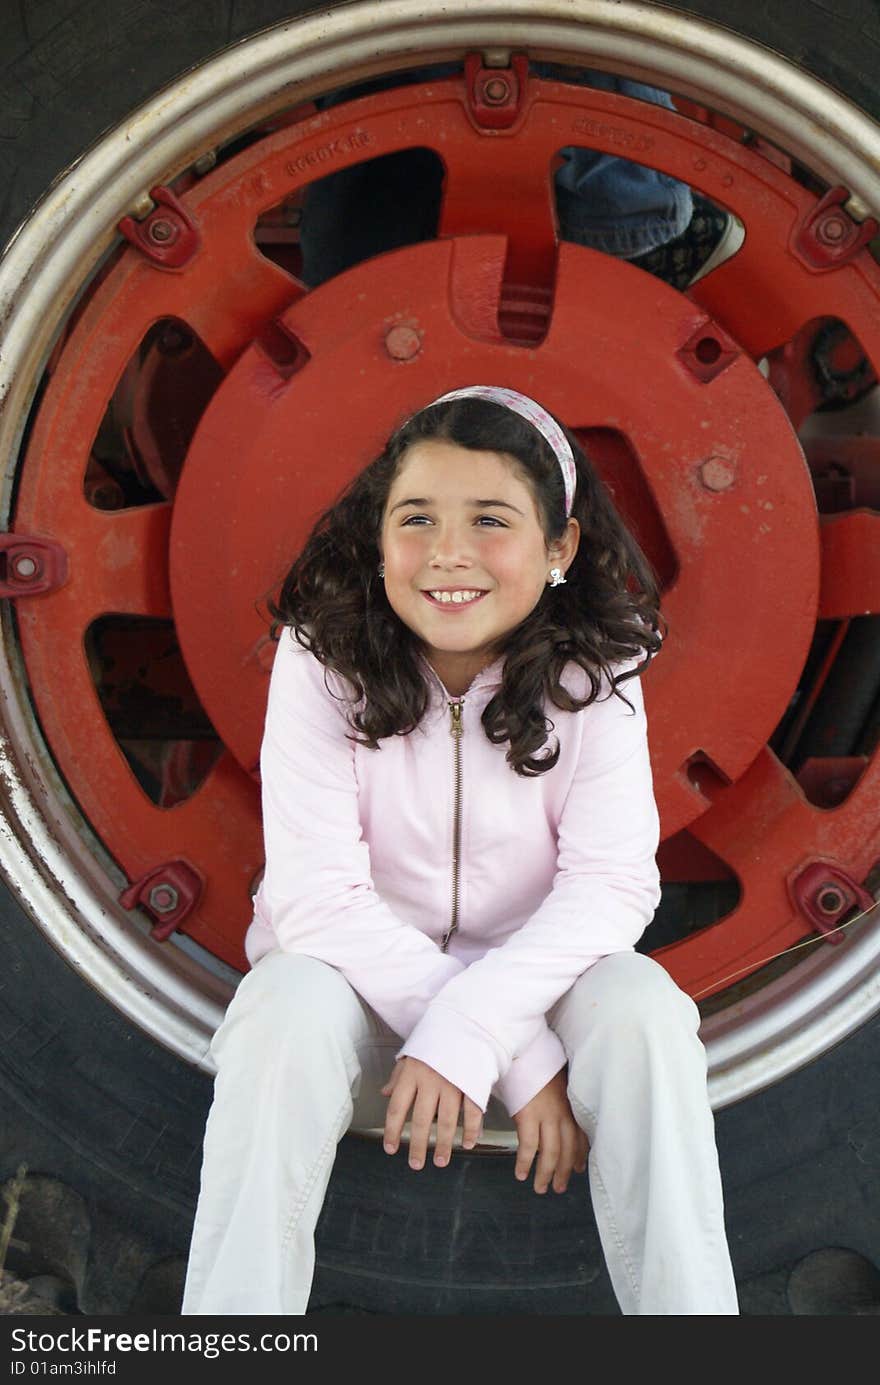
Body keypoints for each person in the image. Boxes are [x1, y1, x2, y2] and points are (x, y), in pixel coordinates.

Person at [181, 385, 739, 1316]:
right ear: (378, 536)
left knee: (645, 1009)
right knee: (277, 1003)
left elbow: (609, 887)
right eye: (417, 518)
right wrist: (517, 1063)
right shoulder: (319, 660)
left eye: (491, 519)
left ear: (560, 547)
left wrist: (488, 1026)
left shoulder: (597, 674)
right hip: (359, 1013)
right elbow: (317, 900)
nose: (448, 552)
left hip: (535, 996)